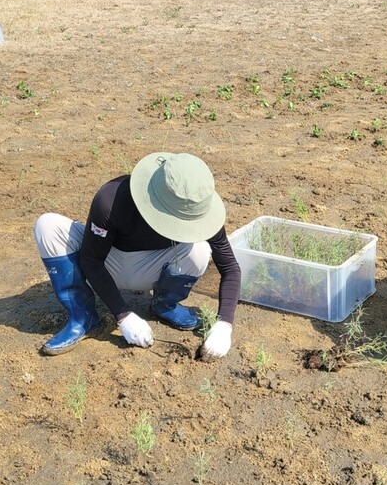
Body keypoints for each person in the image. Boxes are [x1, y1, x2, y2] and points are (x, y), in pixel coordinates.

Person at [32, 152, 239, 359]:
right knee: (48, 225)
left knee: (200, 249)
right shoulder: (112, 199)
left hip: (153, 266)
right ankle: (83, 318)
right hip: (107, 261)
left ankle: (165, 305)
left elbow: (230, 268)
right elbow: (91, 259)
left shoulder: (198, 212)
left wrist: (224, 325)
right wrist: (123, 315)